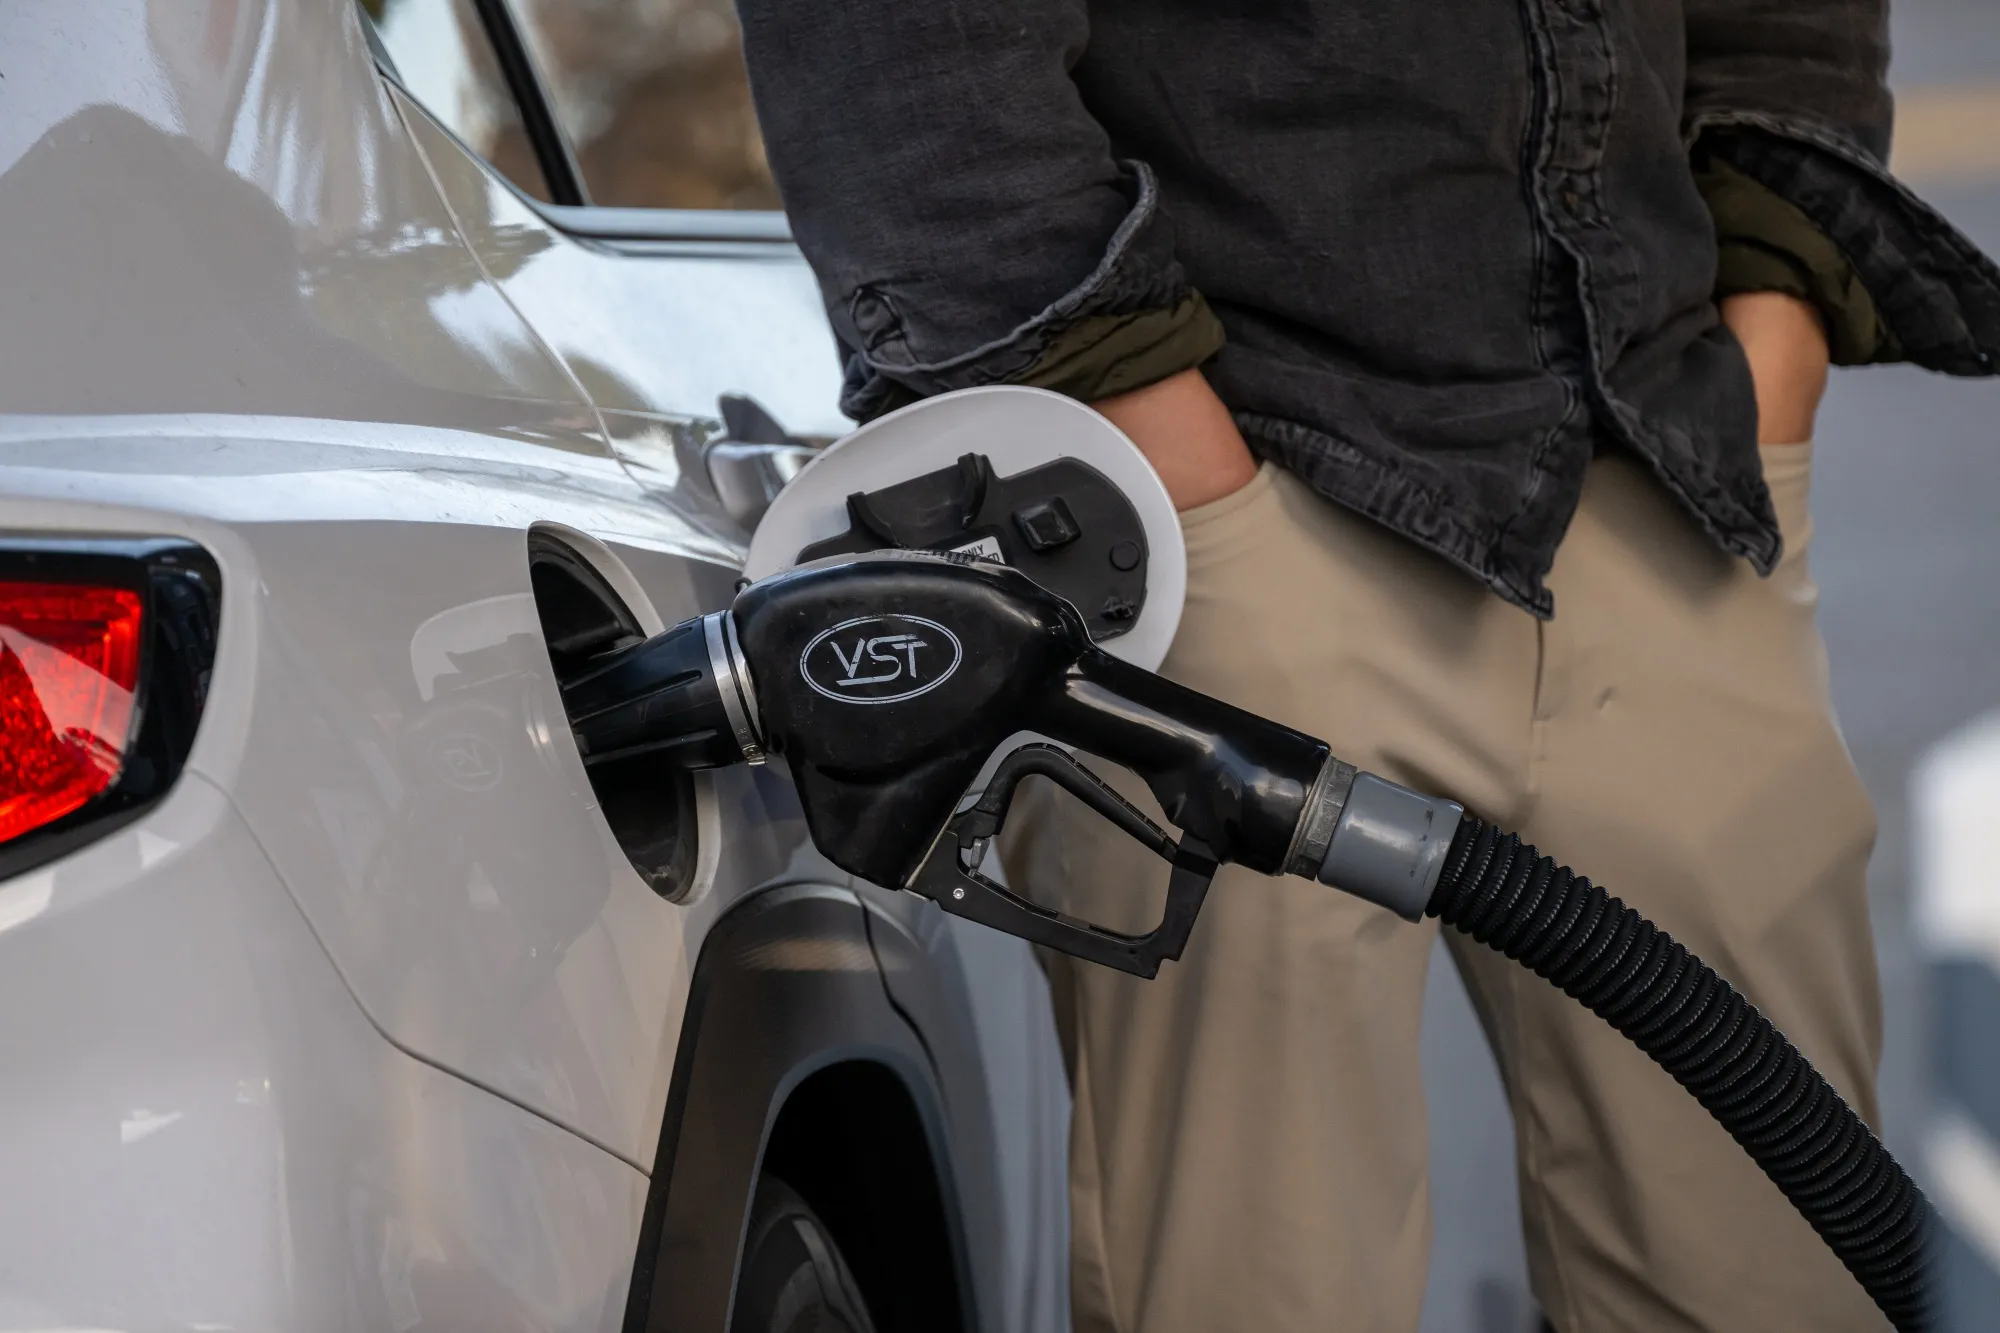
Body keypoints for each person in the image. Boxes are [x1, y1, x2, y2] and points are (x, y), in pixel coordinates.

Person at [733, 3, 2000, 1329]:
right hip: (1217, 494)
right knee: (1272, 1286)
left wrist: (1774, 320)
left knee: (1772, 1273)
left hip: (1662, 463)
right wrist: (1153, 458)